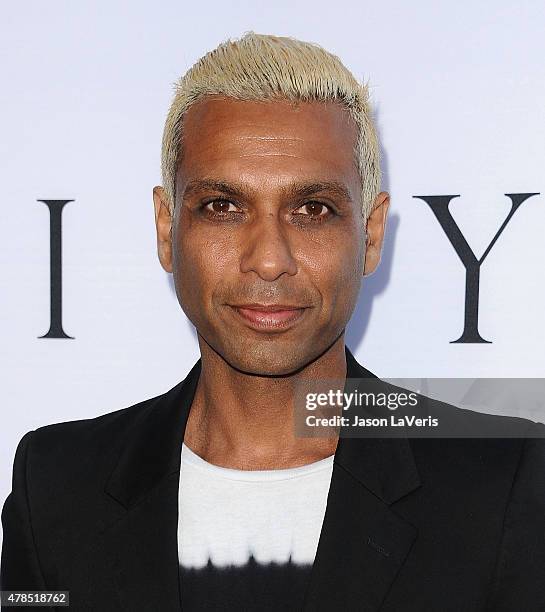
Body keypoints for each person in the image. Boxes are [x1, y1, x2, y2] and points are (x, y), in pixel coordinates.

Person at [2, 31, 545, 612]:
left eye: (313, 210)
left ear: (371, 233)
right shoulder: (58, 483)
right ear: (167, 229)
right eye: (223, 207)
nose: (268, 258)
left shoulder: (505, 481)